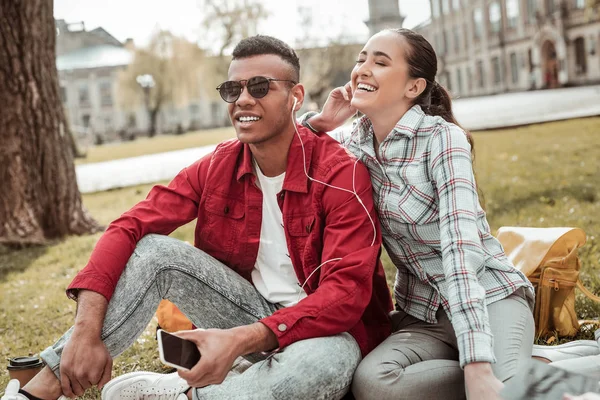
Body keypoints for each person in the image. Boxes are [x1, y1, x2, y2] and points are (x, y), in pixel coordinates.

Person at [1, 35, 392, 400]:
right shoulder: (217, 166)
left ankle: (185, 393)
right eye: (232, 90)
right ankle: (39, 388)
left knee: (326, 364)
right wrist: (85, 330)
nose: (243, 100)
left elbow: (345, 296)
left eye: (259, 87)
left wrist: (241, 341)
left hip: (323, 331)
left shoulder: (340, 173)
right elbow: (128, 226)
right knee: (154, 252)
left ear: (296, 96)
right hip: (245, 313)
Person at [300, 28, 535, 400]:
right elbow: (293, 161)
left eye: (380, 62)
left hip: (487, 298)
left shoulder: (441, 139)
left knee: (506, 391)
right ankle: (519, 373)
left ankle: (526, 373)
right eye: (361, 58)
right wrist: (321, 123)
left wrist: (476, 361)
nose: (362, 69)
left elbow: (461, 251)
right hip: (423, 314)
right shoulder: (351, 144)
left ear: (414, 87)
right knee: (372, 384)